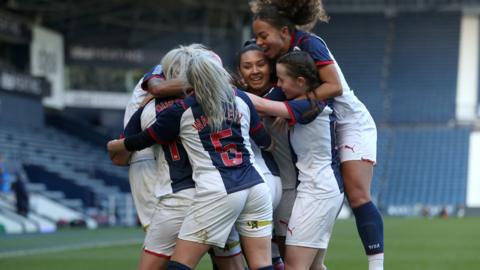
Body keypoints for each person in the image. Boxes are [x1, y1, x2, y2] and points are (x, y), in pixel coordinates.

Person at [108, 50, 274, 270]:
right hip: (252, 186)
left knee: (175, 265)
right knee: (249, 264)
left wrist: (114, 145)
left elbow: (132, 147)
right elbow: (265, 141)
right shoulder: (239, 98)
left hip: (193, 194)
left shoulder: (170, 109)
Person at [251, 1, 384, 269]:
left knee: (357, 195)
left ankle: (376, 266)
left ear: (285, 32)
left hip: (350, 121)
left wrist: (295, 107)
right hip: (324, 123)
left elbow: (333, 86)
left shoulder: (310, 43)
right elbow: (276, 96)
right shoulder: (285, 56)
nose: (259, 42)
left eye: (263, 35)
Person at [247, 51, 344, 270]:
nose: (279, 85)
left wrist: (222, 89)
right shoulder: (306, 101)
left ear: (301, 81)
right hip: (319, 188)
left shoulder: (310, 105)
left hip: (319, 190)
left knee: (294, 266)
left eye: (282, 80)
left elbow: (261, 105)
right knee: (314, 266)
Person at [236, 42, 299, 268]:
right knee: (259, 255)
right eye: (247, 66)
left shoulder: (283, 94)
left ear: (270, 67)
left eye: (260, 64)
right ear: (240, 71)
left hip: (288, 183)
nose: (254, 71)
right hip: (251, 183)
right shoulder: (236, 99)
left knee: (292, 257)